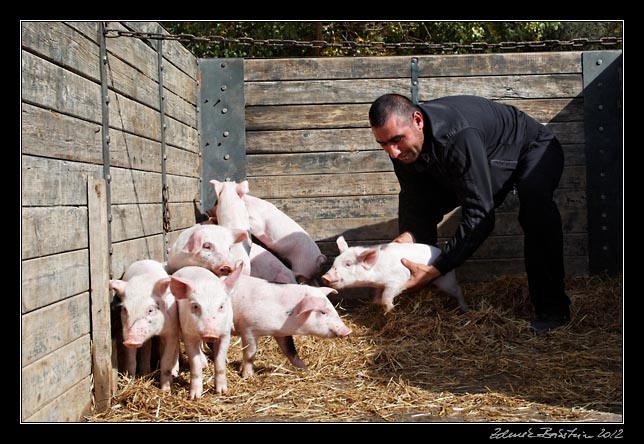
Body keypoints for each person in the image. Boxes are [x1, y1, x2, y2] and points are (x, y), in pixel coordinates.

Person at [368, 94, 571, 332]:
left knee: (536, 207)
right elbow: (417, 203)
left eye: (396, 140)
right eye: (383, 145)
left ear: (418, 120)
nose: (392, 152)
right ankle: (427, 303)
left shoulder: (457, 135)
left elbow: (480, 216)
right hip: (484, 160)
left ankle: (553, 309)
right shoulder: (402, 148)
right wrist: (402, 245)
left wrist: (438, 267)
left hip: (533, 149)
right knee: (416, 218)